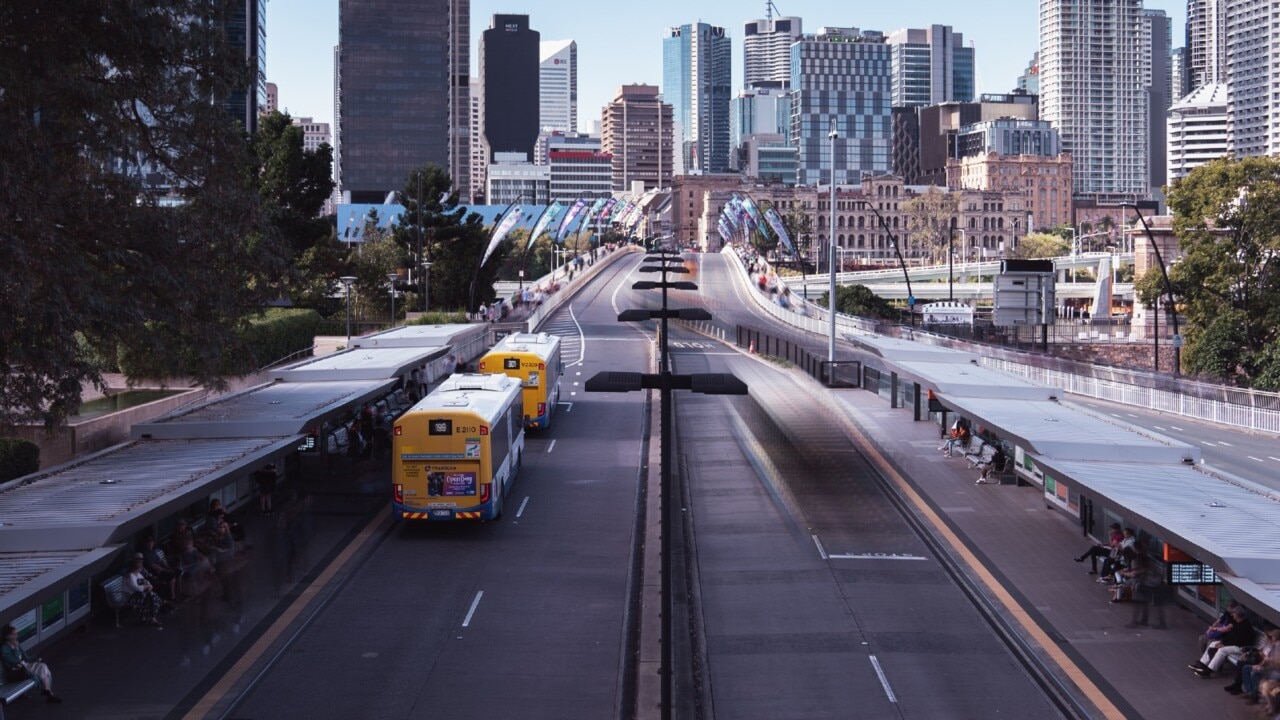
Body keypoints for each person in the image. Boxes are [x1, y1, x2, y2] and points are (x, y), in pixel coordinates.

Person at [1, 624, 61, 703]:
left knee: (43, 667)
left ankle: (48, 693)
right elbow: (13, 660)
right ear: (8, 636)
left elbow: (25, 656)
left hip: (24, 666)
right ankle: (49, 694)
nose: (16, 635)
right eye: (14, 634)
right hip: (17, 670)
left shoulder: (16, 643)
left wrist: (34, 659)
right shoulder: (5, 648)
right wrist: (15, 648)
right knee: (43, 668)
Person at [1189, 607, 1255, 677]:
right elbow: (1231, 636)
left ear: (1238, 615)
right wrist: (1222, 642)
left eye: (1234, 614)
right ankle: (1202, 663)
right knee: (1213, 644)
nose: (1232, 615)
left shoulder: (1245, 626)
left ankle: (1209, 670)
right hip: (1234, 644)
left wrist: (1224, 645)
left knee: (1222, 650)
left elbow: (1238, 640)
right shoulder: (1238, 622)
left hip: (1241, 647)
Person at [124, 556, 163, 626]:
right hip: (132, 597)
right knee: (152, 597)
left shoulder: (138, 575)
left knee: (152, 597)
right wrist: (147, 586)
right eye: (141, 566)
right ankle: (151, 618)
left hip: (140, 595)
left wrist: (148, 586)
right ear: (137, 568)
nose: (142, 568)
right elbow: (137, 588)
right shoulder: (130, 576)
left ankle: (150, 618)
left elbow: (147, 583)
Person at [141, 536, 178, 601]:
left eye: (151, 542)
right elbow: (153, 566)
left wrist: (168, 567)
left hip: (162, 569)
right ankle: (172, 596)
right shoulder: (145, 553)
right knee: (172, 577)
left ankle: (179, 592)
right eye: (148, 542)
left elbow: (160, 561)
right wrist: (166, 570)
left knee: (178, 572)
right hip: (155, 573)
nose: (150, 544)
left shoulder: (153, 551)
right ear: (145, 544)